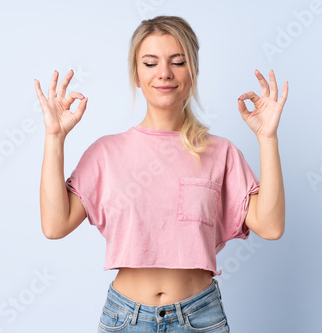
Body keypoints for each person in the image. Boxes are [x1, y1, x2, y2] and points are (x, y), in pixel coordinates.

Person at [34, 15, 287, 332]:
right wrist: (54, 138)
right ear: (136, 75)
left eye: (178, 62)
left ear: (192, 72)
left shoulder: (221, 153)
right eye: (150, 63)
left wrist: (267, 139)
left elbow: (272, 226)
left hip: (200, 317)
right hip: (125, 319)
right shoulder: (106, 153)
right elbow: (55, 226)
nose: (164, 73)